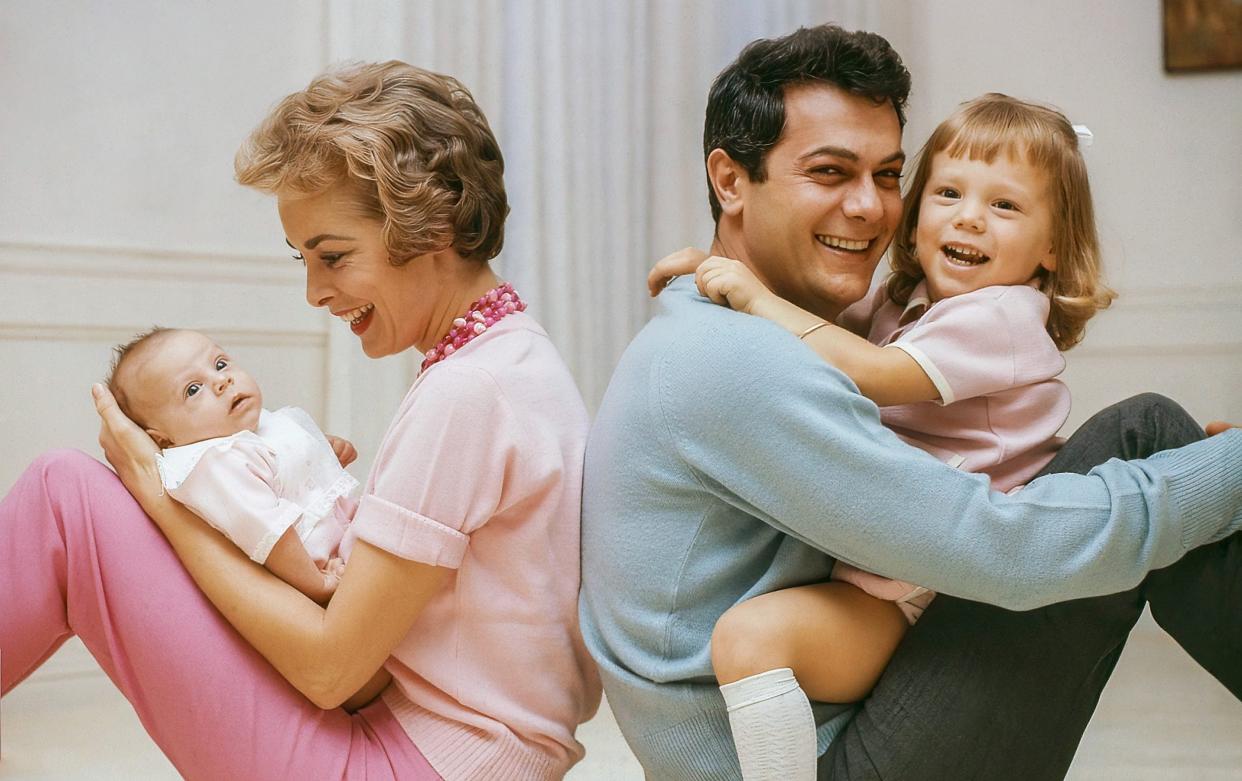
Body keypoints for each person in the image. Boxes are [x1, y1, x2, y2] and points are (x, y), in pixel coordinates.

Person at [578, 23, 1242, 781]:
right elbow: (1005, 551)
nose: (868, 207)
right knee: (1147, 437)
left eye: (888, 175)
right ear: (731, 181)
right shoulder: (738, 363)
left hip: (821, 706)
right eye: (831, 172)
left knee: (1153, 449)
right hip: (823, 758)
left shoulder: (725, 325)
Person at [1, 60, 601, 780]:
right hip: (428, 741)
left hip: (413, 762)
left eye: (333, 257)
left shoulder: (466, 394)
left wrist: (160, 496)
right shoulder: (512, 357)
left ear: (431, 225)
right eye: (303, 260)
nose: (315, 291)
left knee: (65, 494)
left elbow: (328, 667)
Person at [644, 92, 1117, 777]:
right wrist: (720, 261)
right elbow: (807, 309)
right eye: (949, 192)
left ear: (1052, 246)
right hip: (890, 561)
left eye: (1005, 206)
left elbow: (872, 371)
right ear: (919, 211)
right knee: (747, 633)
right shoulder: (911, 299)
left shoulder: (1006, 316)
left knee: (751, 640)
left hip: (926, 591)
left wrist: (751, 294)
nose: (970, 218)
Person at [107, 326, 358, 605]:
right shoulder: (216, 463)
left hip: (348, 544)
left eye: (220, 364)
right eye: (192, 389)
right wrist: (317, 584)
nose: (222, 381)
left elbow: (282, 458)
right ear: (165, 440)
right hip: (312, 576)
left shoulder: (250, 428)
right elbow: (270, 533)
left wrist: (322, 450)